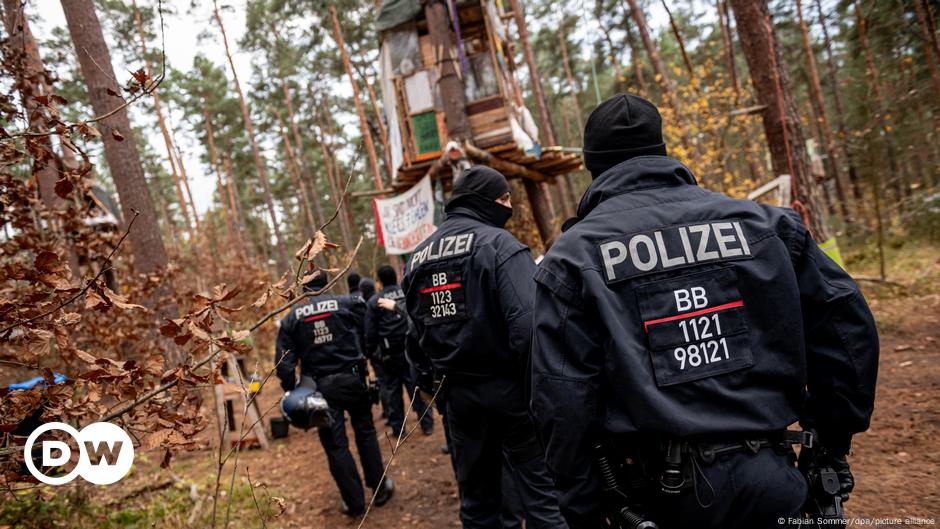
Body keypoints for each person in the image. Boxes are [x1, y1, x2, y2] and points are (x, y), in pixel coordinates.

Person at [529, 93, 879, 529]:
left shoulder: (572, 259)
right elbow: (848, 328)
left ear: (594, 167)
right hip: (771, 480)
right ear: (662, 151)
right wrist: (830, 442)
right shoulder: (766, 227)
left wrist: (583, 506)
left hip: (661, 501)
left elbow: (562, 398)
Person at [402, 165, 568, 529]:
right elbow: (529, 329)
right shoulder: (500, 245)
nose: (508, 204)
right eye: (504, 197)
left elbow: (414, 340)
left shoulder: (416, 258)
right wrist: (537, 391)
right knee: (543, 498)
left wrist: (439, 391)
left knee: (477, 503)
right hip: (513, 394)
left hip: (460, 400)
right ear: (482, 200)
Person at [275, 273, 395, 517]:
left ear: (304, 287)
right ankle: (380, 489)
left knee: (335, 444)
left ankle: (354, 502)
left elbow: (284, 362)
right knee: (366, 433)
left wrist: (291, 388)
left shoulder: (292, 317)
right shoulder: (348, 304)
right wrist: (366, 355)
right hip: (352, 379)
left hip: (318, 389)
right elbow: (369, 329)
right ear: (327, 283)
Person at [365, 265, 435, 436]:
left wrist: (370, 353)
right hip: (412, 349)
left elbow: (370, 332)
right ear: (395, 277)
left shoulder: (375, 301)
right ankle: (427, 424)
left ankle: (398, 429)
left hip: (390, 355)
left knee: (393, 391)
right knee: (416, 386)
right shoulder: (407, 292)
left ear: (380, 281)